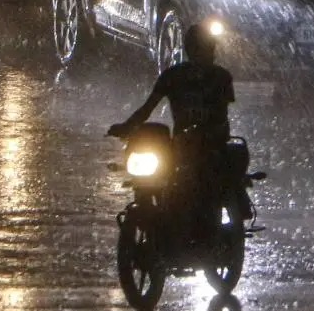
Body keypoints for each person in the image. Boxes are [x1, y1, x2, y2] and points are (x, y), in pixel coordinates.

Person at [108, 23, 253, 228]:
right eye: (204, 48)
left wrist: (207, 135)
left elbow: (221, 116)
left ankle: (236, 205)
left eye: (209, 49)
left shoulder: (219, 77)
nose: (208, 54)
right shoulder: (175, 76)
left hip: (211, 146)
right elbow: (148, 108)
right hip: (181, 146)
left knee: (231, 168)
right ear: (191, 50)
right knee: (153, 178)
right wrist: (127, 127)